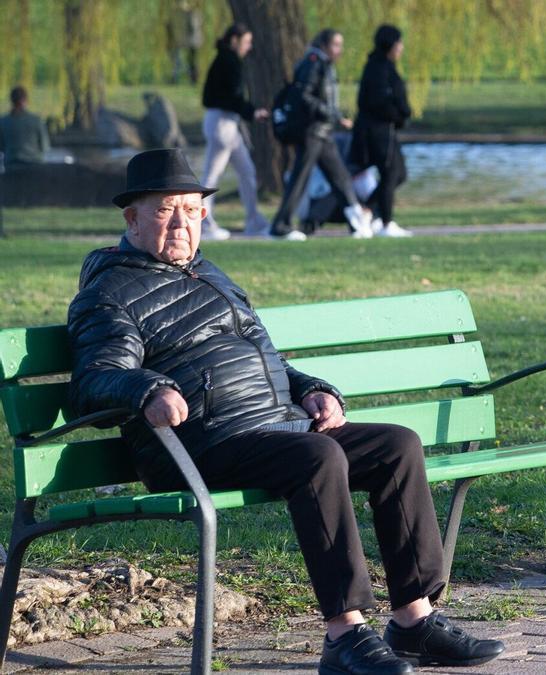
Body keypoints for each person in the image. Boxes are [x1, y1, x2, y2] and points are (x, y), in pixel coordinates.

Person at [67, 149, 505, 674]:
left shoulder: (212, 276)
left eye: (191, 209)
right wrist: (148, 389)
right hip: (200, 443)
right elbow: (94, 379)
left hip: (276, 426)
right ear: (132, 219)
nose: (181, 223)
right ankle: (344, 634)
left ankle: (414, 621)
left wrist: (312, 389)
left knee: (397, 446)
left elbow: (268, 359)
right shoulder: (109, 292)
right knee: (317, 458)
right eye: (165, 210)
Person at [270, 29, 373, 241]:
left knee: (340, 176)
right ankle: (281, 225)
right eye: (336, 45)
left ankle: (356, 221)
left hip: (322, 131)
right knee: (301, 176)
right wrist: (331, 114)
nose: (339, 50)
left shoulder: (322, 64)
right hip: (312, 130)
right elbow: (304, 96)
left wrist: (334, 118)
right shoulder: (314, 63)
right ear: (325, 45)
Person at [199, 23, 271, 241]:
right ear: (234, 40)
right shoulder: (229, 62)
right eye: (247, 41)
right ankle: (204, 224)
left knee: (247, 171)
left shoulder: (225, 60)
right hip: (223, 123)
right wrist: (252, 111)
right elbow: (232, 97)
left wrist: (247, 111)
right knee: (211, 176)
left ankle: (254, 221)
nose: (249, 47)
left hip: (227, 123)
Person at [348, 25, 415, 238]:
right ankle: (386, 222)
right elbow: (378, 102)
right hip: (378, 131)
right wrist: (398, 114)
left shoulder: (384, 66)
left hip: (386, 129)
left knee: (398, 173)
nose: (401, 48)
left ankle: (366, 210)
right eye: (399, 43)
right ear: (390, 45)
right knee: (390, 172)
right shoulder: (377, 68)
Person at [0, 86, 50, 169]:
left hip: (11, 167)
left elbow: (1, 147)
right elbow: (45, 147)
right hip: (35, 166)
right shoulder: (36, 120)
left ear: (12, 101)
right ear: (25, 100)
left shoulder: (3, 122)